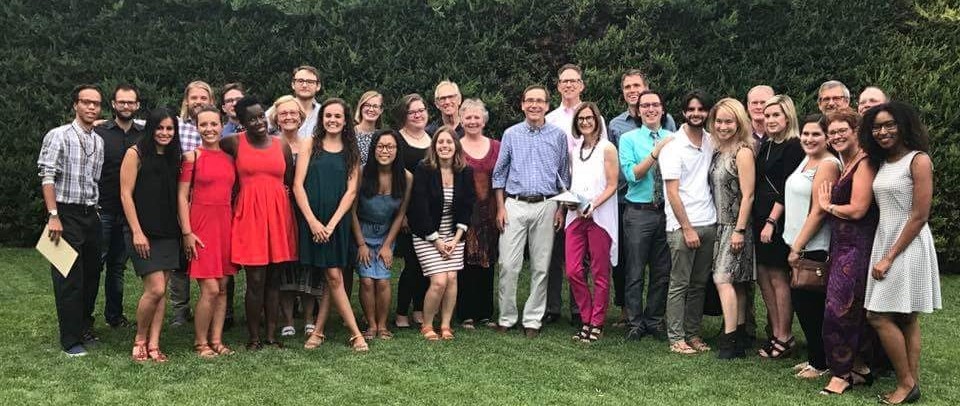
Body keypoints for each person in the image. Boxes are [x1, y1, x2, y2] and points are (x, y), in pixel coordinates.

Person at [862, 101, 941, 404]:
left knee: (878, 315)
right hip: (887, 238)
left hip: (907, 244)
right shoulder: (884, 162)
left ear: (904, 125)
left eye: (889, 125)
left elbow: (919, 215)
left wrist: (889, 256)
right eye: (877, 127)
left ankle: (906, 383)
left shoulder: (918, 161)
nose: (883, 131)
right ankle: (911, 382)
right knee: (907, 317)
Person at [491, 85, 570, 339]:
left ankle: (533, 319)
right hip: (514, 203)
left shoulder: (558, 136)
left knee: (541, 266)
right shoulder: (511, 134)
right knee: (508, 264)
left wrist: (561, 209)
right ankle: (506, 316)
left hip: (547, 205)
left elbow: (563, 176)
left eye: (540, 101)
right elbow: (499, 174)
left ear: (548, 105)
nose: (534, 105)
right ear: (522, 105)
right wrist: (500, 206)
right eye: (529, 101)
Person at [221, 97, 298, 350]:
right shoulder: (232, 142)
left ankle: (271, 335)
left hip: (278, 215)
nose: (258, 122)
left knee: (274, 278)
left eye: (260, 117)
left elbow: (287, 180)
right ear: (241, 122)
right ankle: (253, 337)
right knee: (255, 279)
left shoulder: (281, 145)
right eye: (251, 118)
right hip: (249, 216)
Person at [295, 98, 368, 352]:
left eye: (338, 116)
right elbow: (297, 186)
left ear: (346, 120)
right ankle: (353, 334)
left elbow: (350, 193)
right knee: (332, 275)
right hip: (313, 221)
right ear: (321, 118)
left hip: (337, 222)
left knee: (333, 275)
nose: (333, 120)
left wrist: (332, 224)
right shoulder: (309, 144)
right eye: (328, 116)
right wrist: (314, 222)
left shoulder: (352, 152)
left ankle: (322, 332)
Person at [37, 84, 105, 357]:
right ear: (75, 105)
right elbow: (47, 176)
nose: (91, 107)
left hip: (91, 214)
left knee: (91, 276)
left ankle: (84, 329)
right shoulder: (59, 135)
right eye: (86, 102)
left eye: (96, 103)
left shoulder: (97, 141)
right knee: (68, 277)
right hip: (64, 215)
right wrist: (53, 215)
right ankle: (70, 340)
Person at [817, 108, 879, 394]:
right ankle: (859, 368)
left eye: (843, 130)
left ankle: (841, 375)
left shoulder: (864, 162)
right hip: (843, 246)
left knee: (839, 311)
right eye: (832, 133)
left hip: (856, 248)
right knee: (847, 308)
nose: (837, 136)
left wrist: (828, 206)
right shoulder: (849, 161)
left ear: (856, 131)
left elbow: (857, 209)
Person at [120, 108, 183, 362]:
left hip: (168, 231)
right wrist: (136, 231)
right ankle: (140, 339)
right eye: (160, 128)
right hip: (142, 231)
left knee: (162, 291)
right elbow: (125, 194)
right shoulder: (135, 154)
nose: (164, 133)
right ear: (151, 129)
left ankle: (155, 344)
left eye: (169, 129)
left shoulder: (173, 156)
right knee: (155, 289)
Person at [783, 114, 841, 379]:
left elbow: (819, 211)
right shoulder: (807, 158)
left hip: (813, 245)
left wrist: (798, 246)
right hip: (798, 241)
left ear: (827, 137)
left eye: (816, 134)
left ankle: (821, 363)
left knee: (812, 307)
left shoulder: (828, 164)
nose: (809, 139)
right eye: (805, 134)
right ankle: (814, 358)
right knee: (803, 305)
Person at [177, 106, 237, 358]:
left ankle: (217, 339)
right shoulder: (192, 157)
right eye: (204, 125)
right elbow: (181, 196)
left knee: (223, 287)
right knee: (210, 289)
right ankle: (200, 342)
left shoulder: (230, 157)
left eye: (214, 124)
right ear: (196, 127)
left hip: (225, 224)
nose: (209, 129)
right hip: (200, 225)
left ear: (221, 124)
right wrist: (187, 232)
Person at [661, 91, 717, 354]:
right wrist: (686, 227)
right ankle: (676, 337)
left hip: (709, 221)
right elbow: (672, 192)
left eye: (701, 109)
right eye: (691, 109)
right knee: (679, 283)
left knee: (699, 284)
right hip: (683, 225)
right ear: (683, 113)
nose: (696, 113)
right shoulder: (672, 145)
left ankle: (693, 334)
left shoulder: (711, 141)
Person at [409, 126, 476, 340]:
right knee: (439, 280)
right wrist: (436, 240)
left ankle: (446, 324)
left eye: (449, 142)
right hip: (427, 234)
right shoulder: (424, 169)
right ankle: (427, 325)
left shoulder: (465, 171)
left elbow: (467, 206)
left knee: (452, 277)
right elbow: (419, 208)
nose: (444, 146)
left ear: (456, 146)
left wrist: (456, 239)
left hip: (454, 235)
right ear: (434, 146)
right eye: (440, 142)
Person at [617, 89, 673, 342]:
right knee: (635, 270)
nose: (650, 109)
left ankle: (654, 320)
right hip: (639, 212)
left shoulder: (674, 138)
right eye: (645, 106)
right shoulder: (629, 139)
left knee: (662, 271)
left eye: (655, 105)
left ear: (662, 109)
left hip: (666, 212)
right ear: (639, 111)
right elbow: (632, 175)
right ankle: (635, 322)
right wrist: (655, 152)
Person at [754, 94, 804, 359]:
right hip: (758, 217)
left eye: (776, 115)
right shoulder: (767, 144)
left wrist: (772, 221)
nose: (770, 119)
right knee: (763, 276)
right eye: (767, 115)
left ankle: (785, 335)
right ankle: (775, 332)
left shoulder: (794, 146)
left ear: (787, 117)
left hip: (777, 219)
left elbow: (787, 187)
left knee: (778, 277)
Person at [564, 102, 619, 342]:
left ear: (597, 120)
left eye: (589, 118)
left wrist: (593, 204)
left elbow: (612, 185)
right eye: (581, 119)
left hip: (599, 216)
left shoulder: (607, 148)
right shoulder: (575, 151)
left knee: (599, 272)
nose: (585, 122)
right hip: (575, 216)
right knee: (574, 270)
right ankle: (585, 317)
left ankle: (596, 322)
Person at [706, 98, 756, 359]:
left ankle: (728, 340)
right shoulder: (718, 150)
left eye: (729, 121)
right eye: (719, 121)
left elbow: (748, 195)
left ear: (739, 122)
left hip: (736, 226)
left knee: (723, 279)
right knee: (735, 284)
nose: (724, 126)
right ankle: (739, 337)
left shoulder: (742, 151)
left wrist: (740, 229)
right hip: (720, 224)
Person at [267, 95, 318, 338]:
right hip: (280, 211)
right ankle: (287, 319)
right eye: (283, 113)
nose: (288, 117)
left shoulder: (310, 144)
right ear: (276, 118)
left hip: (306, 210)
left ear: (301, 117)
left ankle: (309, 317)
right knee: (284, 265)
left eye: (293, 113)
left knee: (308, 264)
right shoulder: (269, 144)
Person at [353, 130, 412, 340]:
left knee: (384, 280)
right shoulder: (361, 172)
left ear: (397, 150)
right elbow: (351, 211)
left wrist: (388, 245)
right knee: (368, 280)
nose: (385, 151)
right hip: (362, 233)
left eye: (390, 147)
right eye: (380, 146)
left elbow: (401, 214)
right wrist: (361, 244)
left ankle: (383, 325)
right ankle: (371, 325)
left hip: (387, 234)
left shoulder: (406, 177)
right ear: (373, 149)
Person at [96, 83, 143, 329]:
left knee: (117, 267)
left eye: (131, 102)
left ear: (137, 105)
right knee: (95, 264)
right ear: (113, 104)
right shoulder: (100, 132)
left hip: (129, 212)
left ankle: (114, 316)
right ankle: (85, 319)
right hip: (102, 209)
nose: (126, 106)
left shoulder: (143, 134)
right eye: (121, 102)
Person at [171, 80, 215, 327]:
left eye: (204, 97)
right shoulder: (176, 126)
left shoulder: (216, 126)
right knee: (180, 257)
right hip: (181, 197)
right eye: (194, 98)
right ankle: (181, 309)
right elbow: (147, 127)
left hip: (210, 201)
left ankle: (220, 306)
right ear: (186, 101)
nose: (199, 102)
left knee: (212, 255)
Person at [457, 99, 501, 329]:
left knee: (488, 262)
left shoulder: (497, 146)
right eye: (468, 117)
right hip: (466, 212)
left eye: (477, 117)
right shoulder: (455, 146)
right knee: (466, 262)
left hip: (491, 212)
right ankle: (466, 313)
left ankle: (485, 312)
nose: (473, 121)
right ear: (461, 120)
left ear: (483, 120)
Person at [394, 93, 432, 328]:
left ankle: (419, 308)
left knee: (425, 264)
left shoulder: (433, 138)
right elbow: (395, 179)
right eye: (412, 112)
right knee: (411, 264)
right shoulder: (398, 140)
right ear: (404, 116)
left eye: (421, 110)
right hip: (407, 212)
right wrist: (403, 213)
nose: (418, 115)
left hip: (430, 212)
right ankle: (400, 313)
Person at [267, 65, 322, 137]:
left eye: (310, 82)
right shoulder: (278, 109)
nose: (305, 85)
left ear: (318, 86)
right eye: (300, 81)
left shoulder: (324, 113)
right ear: (293, 84)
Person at [354, 90, 385, 167]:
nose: (371, 109)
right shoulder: (348, 133)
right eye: (367, 105)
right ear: (361, 108)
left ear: (381, 110)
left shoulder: (383, 137)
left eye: (375, 106)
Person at [746, 85, 775, 149]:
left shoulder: (781, 135)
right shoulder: (740, 134)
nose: (758, 107)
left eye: (763, 102)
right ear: (748, 106)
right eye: (754, 103)